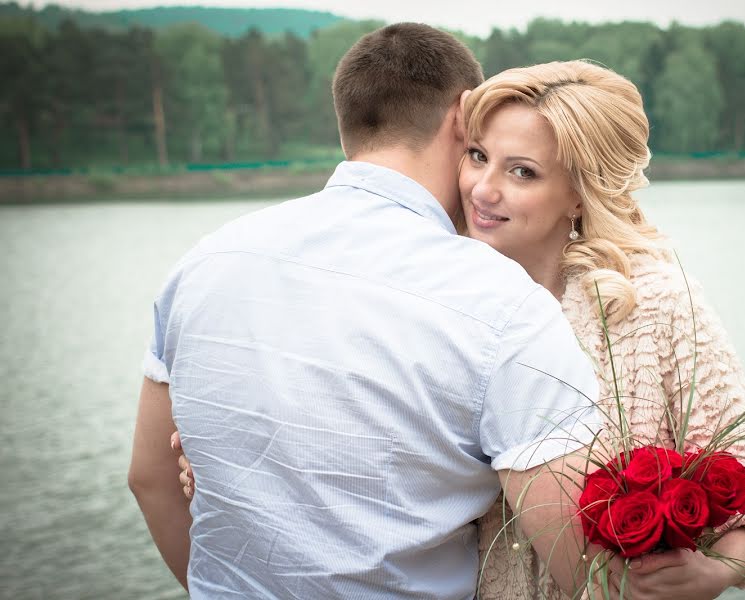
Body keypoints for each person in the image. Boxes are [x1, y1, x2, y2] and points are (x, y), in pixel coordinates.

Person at [128, 24, 607, 600]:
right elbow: (582, 566)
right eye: (477, 150)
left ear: (348, 121)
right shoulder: (501, 302)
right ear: (462, 117)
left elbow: (149, 477)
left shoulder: (205, 260)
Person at [457, 61, 745, 599]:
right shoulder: (438, 303)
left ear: (579, 193)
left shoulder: (654, 303)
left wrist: (714, 572)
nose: (483, 189)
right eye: (478, 156)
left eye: (521, 171)